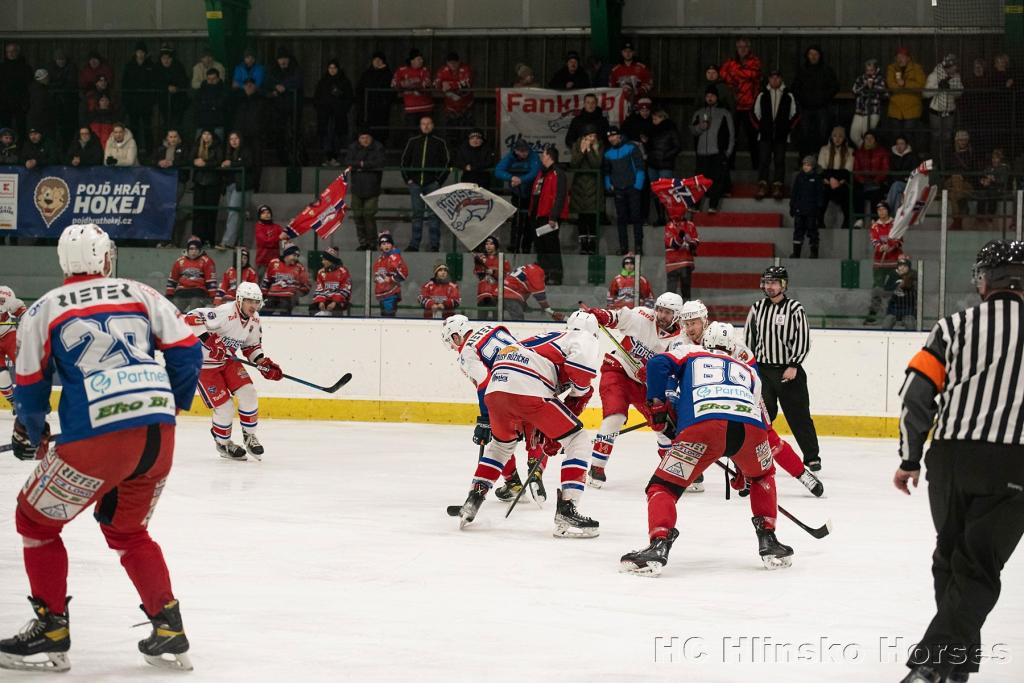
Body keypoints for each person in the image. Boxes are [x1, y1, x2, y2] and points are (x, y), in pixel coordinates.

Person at [1, 224, 202, 673]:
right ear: (107, 258)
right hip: (158, 434)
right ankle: (168, 626)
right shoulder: (140, 292)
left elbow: (30, 388)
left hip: (98, 438)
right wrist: (168, 403)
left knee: (33, 520)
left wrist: (30, 433)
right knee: (128, 531)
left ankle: (51, 628)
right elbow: (189, 355)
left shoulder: (43, 309)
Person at [894, 240, 1024, 683]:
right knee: (978, 567)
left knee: (949, 560)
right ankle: (934, 664)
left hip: (949, 460)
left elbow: (915, 397)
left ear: (985, 281)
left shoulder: (953, 327)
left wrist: (910, 459)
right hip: (1015, 465)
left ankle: (956, 666)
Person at [619, 331, 792, 576]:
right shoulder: (749, 370)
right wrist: (746, 467)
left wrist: (657, 406)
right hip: (751, 431)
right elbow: (764, 420)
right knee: (763, 476)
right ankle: (770, 541)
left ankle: (659, 545)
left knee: (663, 487)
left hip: (705, 427)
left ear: (706, 343)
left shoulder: (691, 352)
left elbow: (657, 364)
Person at [453, 311, 601, 538]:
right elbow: (581, 373)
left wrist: (552, 429)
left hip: (497, 385)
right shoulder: (582, 336)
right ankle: (567, 509)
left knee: (501, 446)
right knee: (578, 439)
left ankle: (473, 499)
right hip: (529, 385)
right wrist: (581, 392)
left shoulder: (547, 337)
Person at [679, 309, 824, 497]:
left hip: (742, 395)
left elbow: (753, 381)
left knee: (766, 436)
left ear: (704, 321)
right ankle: (687, 476)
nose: (690, 328)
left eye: (694, 322)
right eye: (687, 323)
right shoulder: (683, 344)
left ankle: (802, 474)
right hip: (711, 396)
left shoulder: (736, 346)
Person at [579, 293, 685, 487]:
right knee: (615, 417)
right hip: (617, 371)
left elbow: (675, 371)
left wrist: (656, 376)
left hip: (647, 386)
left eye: (667, 313)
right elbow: (619, 318)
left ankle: (673, 471)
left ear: (676, 316)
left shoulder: (679, 340)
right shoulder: (643, 316)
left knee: (663, 426)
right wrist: (603, 316)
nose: (661, 315)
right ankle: (596, 468)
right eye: (660, 310)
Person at [184, 282, 281, 462]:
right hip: (204, 365)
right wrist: (210, 342)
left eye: (257, 301)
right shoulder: (225, 313)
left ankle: (250, 436)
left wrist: (262, 363)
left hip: (227, 361)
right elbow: (190, 317)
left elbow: (251, 346)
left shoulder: (255, 319)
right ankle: (223, 443)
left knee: (249, 393)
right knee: (225, 407)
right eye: (249, 301)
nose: (253, 305)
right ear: (239, 300)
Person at [744, 266, 820, 471]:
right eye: (767, 282)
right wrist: (751, 368)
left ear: (783, 285)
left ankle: (812, 456)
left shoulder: (795, 308)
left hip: (788, 371)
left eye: (774, 282)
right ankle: (756, 454)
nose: (769, 286)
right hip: (763, 372)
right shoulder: (757, 308)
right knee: (761, 414)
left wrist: (794, 364)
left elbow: (803, 339)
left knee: (799, 415)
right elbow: (750, 339)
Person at [400, 115, 449, 252]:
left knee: (434, 215)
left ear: (433, 125)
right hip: (415, 184)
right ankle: (414, 244)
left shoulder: (439, 142)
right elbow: (404, 162)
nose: (426, 126)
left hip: (432, 183)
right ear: (420, 126)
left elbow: (446, 163)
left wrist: (438, 180)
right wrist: (408, 179)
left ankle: (434, 245)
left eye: (428, 123)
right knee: (417, 214)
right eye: (423, 123)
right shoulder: (413, 141)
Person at [750, 69, 798, 201]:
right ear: (769, 79)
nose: (774, 80)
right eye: (772, 78)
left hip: (781, 135)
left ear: (781, 79)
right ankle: (763, 185)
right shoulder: (762, 95)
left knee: (779, 161)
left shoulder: (789, 95)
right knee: (764, 160)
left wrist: (787, 128)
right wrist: (761, 128)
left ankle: (778, 186)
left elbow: (795, 114)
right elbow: (754, 114)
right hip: (765, 135)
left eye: (777, 78)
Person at [720, 37, 762, 170]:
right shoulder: (730, 61)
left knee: (753, 138)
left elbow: (753, 74)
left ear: (749, 48)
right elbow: (722, 73)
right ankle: (729, 166)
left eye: (745, 47)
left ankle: (757, 167)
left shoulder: (754, 61)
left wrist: (735, 73)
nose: (742, 49)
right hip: (735, 105)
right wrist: (735, 76)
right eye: (740, 47)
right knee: (732, 137)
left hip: (750, 106)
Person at [603, 125, 646, 255]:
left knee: (636, 217)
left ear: (619, 135)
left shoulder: (631, 148)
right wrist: (608, 185)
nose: (611, 138)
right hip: (618, 189)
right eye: (609, 136)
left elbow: (640, 167)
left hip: (632, 188)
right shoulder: (607, 153)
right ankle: (623, 248)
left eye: (613, 135)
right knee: (621, 219)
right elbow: (606, 172)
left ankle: (638, 247)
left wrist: (637, 186)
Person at [690, 87, 734, 213]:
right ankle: (696, 206)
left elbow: (731, 134)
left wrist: (728, 152)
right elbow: (692, 131)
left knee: (716, 180)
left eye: (712, 96)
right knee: (699, 180)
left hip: (717, 152)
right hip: (702, 152)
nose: (710, 98)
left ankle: (713, 205)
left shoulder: (724, 113)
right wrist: (700, 127)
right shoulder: (698, 113)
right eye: (708, 96)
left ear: (717, 97)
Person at [790, 46, 839, 158]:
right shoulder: (802, 70)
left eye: (815, 54)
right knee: (804, 135)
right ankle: (803, 162)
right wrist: (803, 99)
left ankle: (821, 161)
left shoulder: (827, 70)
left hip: (822, 107)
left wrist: (824, 97)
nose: (813, 56)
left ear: (820, 55)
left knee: (823, 134)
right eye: (811, 54)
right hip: (805, 108)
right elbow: (795, 87)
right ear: (807, 56)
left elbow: (835, 86)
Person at [530, 145, 569, 285]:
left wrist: (553, 216)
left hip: (549, 215)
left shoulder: (558, 173)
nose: (542, 157)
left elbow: (560, 196)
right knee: (540, 246)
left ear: (549, 156)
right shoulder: (542, 173)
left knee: (551, 245)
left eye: (544, 155)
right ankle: (544, 273)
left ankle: (556, 274)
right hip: (538, 215)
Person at [494, 139, 541, 253]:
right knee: (517, 219)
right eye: (521, 151)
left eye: (525, 151)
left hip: (531, 193)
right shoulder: (510, 157)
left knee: (530, 219)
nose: (524, 153)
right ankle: (514, 244)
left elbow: (535, 172)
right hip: (517, 193)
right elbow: (498, 171)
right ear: (516, 151)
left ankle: (526, 245)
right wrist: (511, 177)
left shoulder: (533, 156)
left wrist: (521, 179)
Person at [864, 200, 903, 325]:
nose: (881, 212)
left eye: (883, 209)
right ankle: (872, 315)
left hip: (894, 263)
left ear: (888, 210)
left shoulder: (895, 224)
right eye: (878, 210)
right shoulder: (875, 226)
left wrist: (891, 246)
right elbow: (874, 240)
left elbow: (900, 240)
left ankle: (898, 315)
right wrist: (881, 247)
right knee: (877, 289)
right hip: (879, 264)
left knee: (897, 289)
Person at [347, 129, 386, 250]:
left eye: (367, 138)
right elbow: (348, 161)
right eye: (362, 138)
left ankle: (372, 243)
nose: (365, 140)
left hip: (372, 188)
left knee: (369, 216)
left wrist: (361, 165)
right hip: (357, 189)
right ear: (359, 139)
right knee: (358, 216)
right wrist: (366, 165)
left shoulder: (378, 147)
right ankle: (363, 243)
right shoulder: (353, 147)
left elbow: (379, 162)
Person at [263, 48, 304, 165]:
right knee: (279, 134)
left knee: (295, 133)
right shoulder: (272, 71)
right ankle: (282, 159)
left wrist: (284, 86)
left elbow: (298, 81)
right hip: (278, 109)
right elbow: (267, 82)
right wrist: (276, 87)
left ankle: (296, 158)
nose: (283, 61)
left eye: (285, 59)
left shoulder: (295, 70)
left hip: (293, 109)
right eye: (280, 59)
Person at [217, 131, 255, 250]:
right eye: (231, 139)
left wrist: (231, 164)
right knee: (235, 213)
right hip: (230, 185)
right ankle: (235, 242)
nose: (233, 141)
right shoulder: (228, 153)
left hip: (241, 186)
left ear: (241, 139)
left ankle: (227, 242)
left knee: (234, 212)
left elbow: (248, 164)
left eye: (236, 138)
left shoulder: (247, 151)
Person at [313, 59, 354, 166]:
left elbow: (349, 98)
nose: (332, 70)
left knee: (337, 136)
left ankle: (334, 158)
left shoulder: (344, 82)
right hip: (325, 115)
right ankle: (327, 157)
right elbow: (317, 98)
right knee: (326, 136)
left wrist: (342, 106)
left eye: (334, 68)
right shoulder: (323, 82)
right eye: (330, 68)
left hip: (338, 114)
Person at [570, 128, 604, 254]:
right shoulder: (576, 146)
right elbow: (574, 164)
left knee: (592, 216)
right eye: (589, 136)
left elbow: (597, 164)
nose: (592, 139)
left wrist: (590, 150)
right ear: (584, 137)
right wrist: (582, 151)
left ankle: (593, 245)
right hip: (579, 186)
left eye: (594, 136)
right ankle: (583, 245)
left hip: (594, 185)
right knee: (582, 215)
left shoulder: (598, 146)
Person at [924, 54, 963, 164]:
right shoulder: (934, 75)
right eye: (952, 66)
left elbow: (959, 93)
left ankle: (945, 162)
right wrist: (938, 87)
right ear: (947, 66)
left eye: (955, 66)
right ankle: (934, 163)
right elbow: (925, 93)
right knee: (936, 137)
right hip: (936, 112)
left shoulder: (956, 76)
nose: (954, 68)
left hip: (949, 111)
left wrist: (951, 88)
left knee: (947, 138)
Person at [155, 129, 191, 246]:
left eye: (175, 137)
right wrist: (159, 162)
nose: (173, 139)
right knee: (164, 209)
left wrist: (173, 163)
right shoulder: (161, 149)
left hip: (178, 181)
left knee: (172, 207)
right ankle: (163, 239)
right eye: (170, 137)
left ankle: (173, 240)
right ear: (167, 138)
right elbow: (151, 160)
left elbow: (187, 161)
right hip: (163, 182)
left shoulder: (184, 149)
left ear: (179, 138)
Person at [885, 47, 926, 149]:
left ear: (908, 58)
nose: (900, 59)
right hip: (895, 109)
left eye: (902, 57)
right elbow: (890, 85)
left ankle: (911, 158)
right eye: (898, 57)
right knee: (895, 136)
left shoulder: (917, 68)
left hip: (912, 109)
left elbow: (920, 85)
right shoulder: (891, 68)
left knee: (909, 135)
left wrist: (904, 84)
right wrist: (904, 87)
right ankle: (896, 160)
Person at [391, 49, 433, 143]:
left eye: (422, 59)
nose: (421, 61)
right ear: (412, 60)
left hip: (425, 108)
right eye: (419, 59)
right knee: (412, 134)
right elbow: (394, 84)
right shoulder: (402, 70)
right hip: (411, 109)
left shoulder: (424, 70)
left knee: (426, 133)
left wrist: (407, 84)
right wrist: (407, 83)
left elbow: (425, 84)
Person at [121, 42, 156, 155]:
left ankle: (149, 151)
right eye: (139, 52)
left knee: (147, 128)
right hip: (133, 103)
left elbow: (153, 84)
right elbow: (124, 84)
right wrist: (126, 101)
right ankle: (133, 151)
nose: (140, 54)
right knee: (133, 128)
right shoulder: (129, 66)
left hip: (146, 103)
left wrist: (151, 100)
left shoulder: (150, 66)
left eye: (142, 52)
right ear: (135, 53)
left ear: (145, 54)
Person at [166, 236, 217, 312]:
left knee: (194, 313)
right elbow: (172, 280)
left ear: (200, 250)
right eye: (191, 249)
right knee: (173, 312)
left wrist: (213, 296)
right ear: (187, 249)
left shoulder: (206, 261)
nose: (193, 251)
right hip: (182, 292)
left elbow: (211, 281)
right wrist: (169, 294)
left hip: (198, 292)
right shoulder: (180, 261)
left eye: (196, 249)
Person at [647, 109, 681, 221]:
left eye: (656, 118)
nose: (653, 121)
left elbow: (677, 146)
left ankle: (672, 217)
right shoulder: (652, 130)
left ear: (662, 118)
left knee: (666, 191)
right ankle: (661, 217)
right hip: (653, 164)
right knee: (656, 192)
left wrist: (665, 156)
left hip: (665, 165)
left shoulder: (671, 129)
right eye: (653, 119)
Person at [190, 130, 224, 246]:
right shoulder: (196, 147)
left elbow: (219, 161)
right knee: (198, 212)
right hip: (199, 182)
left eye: (209, 134)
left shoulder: (217, 147)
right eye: (204, 134)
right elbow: (189, 159)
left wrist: (205, 163)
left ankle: (209, 239)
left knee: (210, 213)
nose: (206, 136)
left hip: (213, 183)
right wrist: (194, 161)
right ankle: (196, 238)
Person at [817, 125, 854, 229]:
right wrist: (831, 179)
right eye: (835, 136)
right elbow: (821, 168)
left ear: (844, 138)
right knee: (822, 190)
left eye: (840, 136)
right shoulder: (824, 149)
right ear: (831, 137)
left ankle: (847, 220)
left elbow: (847, 170)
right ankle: (819, 220)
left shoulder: (849, 151)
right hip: (827, 181)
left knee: (846, 191)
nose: (837, 139)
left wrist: (838, 180)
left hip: (841, 181)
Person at [434, 51, 474, 148]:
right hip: (450, 108)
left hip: (466, 107)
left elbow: (466, 83)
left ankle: (465, 155)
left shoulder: (465, 69)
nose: (453, 65)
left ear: (459, 62)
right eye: (450, 62)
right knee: (451, 134)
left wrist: (450, 85)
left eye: (455, 62)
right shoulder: (442, 70)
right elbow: (435, 83)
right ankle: (451, 157)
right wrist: (441, 85)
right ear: (447, 63)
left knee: (466, 134)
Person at [789, 155, 826, 259]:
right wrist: (792, 206)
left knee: (812, 230)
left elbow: (820, 195)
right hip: (799, 210)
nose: (805, 167)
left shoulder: (817, 178)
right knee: (798, 230)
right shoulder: (799, 177)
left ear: (813, 166)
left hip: (811, 211)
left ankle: (814, 253)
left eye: (808, 165)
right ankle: (796, 253)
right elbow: (794, 193)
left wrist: (819, 208)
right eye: (804, 164)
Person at [355, 51, 394, 146]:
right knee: (368, 130)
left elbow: (391, 89)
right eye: (375, 60)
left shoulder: (387, 74)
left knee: (381, 131)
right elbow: (359, 90)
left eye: (379, 60)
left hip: (381, 109)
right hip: (367, 108)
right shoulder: (366, 74)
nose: (377, 62)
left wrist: (382, 71)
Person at [852, 130, 889, 228]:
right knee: (856, 191)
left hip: (877, 181)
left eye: (871, 138)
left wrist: (876, 181)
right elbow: (856, 170)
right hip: (863, 181)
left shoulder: (882, 152)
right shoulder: (859, 153)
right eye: (867, 138)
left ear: (875, 140)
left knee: (877, 193)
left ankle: (875, 219)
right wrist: (863, 181)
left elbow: (885, 169)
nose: (869, 140)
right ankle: (859, 219)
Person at [262, 243, 311, 316]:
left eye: (297, 256)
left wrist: (296, 294)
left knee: (283, 309)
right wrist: (263, 295)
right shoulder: (274, 263)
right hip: (272, 295)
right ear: (287, 254)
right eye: (294, 255)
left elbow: (307, 286)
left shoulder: (299, 267)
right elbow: (266, 281)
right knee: (263, 311)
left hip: (288, 297)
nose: (296, 258)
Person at [850, 58, 888, 147]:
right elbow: (855, 90)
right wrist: (865, 86)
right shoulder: (860, 78)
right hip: (860, 110)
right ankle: (863, 149)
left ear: (876, 69)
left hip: (873, 110)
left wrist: (872, 87)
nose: (869, 72)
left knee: (867, 134)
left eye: (871, 70)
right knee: (854, 135)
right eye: (867, 70)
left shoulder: (880, 79)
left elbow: (885, 93)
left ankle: (869, 152)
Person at [0, 285, 26, 408]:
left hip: (9, 334)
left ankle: (35, 397)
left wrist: (24, 320)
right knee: (1, 376)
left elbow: (23, 314)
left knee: (25, 366)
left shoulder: (6, 293)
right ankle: (14, 403)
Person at [473, 236, 510, 319]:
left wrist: (494, 272)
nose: (488, 246)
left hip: (497, 293)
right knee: (481, 320)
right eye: (486, 244)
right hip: (483, 292)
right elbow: (477, 273)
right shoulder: (481, 258)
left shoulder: (502, 259)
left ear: (496, 246)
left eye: (491, 244)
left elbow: (507, 276)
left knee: (497, 319)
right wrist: (478, 265)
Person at [154, 45, 189, 133]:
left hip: (178, 102)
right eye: (163, 58)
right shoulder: (157, 68)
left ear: (172, 59)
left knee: (177, 124)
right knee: (165, 123)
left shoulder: (178, 67)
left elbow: (184, 81)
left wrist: (176, 88)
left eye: (168, 58)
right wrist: (166, 88)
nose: (166, 60)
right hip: (163, 101)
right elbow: (154, 82)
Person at [1, 42, 33, 136]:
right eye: (8, 52)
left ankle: (21, 147)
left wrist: (26, 102)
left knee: (21, 127)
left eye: (13, 51)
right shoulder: (2, 68)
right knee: (5, 128)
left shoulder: (25, 68)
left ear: (18, 52)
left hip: (20, 103)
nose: (10, 54)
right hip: (4, 103)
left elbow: (29, 86)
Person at [664, 212, 699, 298]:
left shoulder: (690, 225)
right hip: (673, 263)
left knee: (686, 290)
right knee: (671, 293)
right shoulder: (669, 226)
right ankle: (670, 310)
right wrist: (681, 236)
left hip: (686, 262)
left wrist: (691, 243)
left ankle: (686, 310)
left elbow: (695, 242)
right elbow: (674, 245)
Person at [373, 233, 408, 317]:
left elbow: (404, 273)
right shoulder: (380, 259)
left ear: (392, 245)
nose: (386, 246)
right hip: (382, 294)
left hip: (391, 293)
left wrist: (391, 279)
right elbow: (378, 273)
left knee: (388, 318)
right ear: (380, 246)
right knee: (384, 318)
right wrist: (378, 278)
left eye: (388, 243)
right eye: (383, 244)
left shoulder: (394, 257)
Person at [310, 248, 352, 317]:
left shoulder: (343, 271)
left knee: (336, 309)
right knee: (312, 308)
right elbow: (319, 288)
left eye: (325, 260)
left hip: (340, 300)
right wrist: (321, 301)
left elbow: (345, 289)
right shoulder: (321, 272)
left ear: (331, 261)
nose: (322, 262)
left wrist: (335, 302)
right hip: (325, 299)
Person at [881, 256, 917, 330]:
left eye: (905, 266)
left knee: (910, 324)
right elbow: (886, 290)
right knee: (886, 325)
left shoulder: (913, 275)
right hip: (893, 308)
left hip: (908, 308)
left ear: (909, 267)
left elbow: (910, 284)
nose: (902, 268)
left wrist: (904, 281)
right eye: (900, 266)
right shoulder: (892, 275)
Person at [194, 67, 228, 142]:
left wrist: (205, 103)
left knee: (218, 146)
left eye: (214, 78)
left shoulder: (224, 90)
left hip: (218, 123)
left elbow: (221, 104)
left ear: (218, 79)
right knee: (198, 146)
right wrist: (212, 105)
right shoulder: (200, 90)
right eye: (209, 79)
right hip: (202, 123)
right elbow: (197, 105)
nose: (211, 81)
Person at [887, 133, 920, 209]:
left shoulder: (913, 157)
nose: (899, 146)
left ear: (906, 145)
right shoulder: (892, 157)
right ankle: (896, 219)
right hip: (895, 186)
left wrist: (901, 178)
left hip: (909, 184)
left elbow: (914, 173)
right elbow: (890, 174)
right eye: (897, 144)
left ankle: (886, 208)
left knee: (897, 185)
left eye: (902, 143)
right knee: (898, 195)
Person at [253, 205, 287, 278]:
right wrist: (278, 238)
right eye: (263, 213)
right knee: (260, 284)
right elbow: (265, 242)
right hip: (262, 261)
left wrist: (291, 224)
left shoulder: (276, 227)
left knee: (274, 283)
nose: (266, 215)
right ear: (259, 215)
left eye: (268, 212)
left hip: (275, 262)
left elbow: (285, 236)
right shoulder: (258, 227)